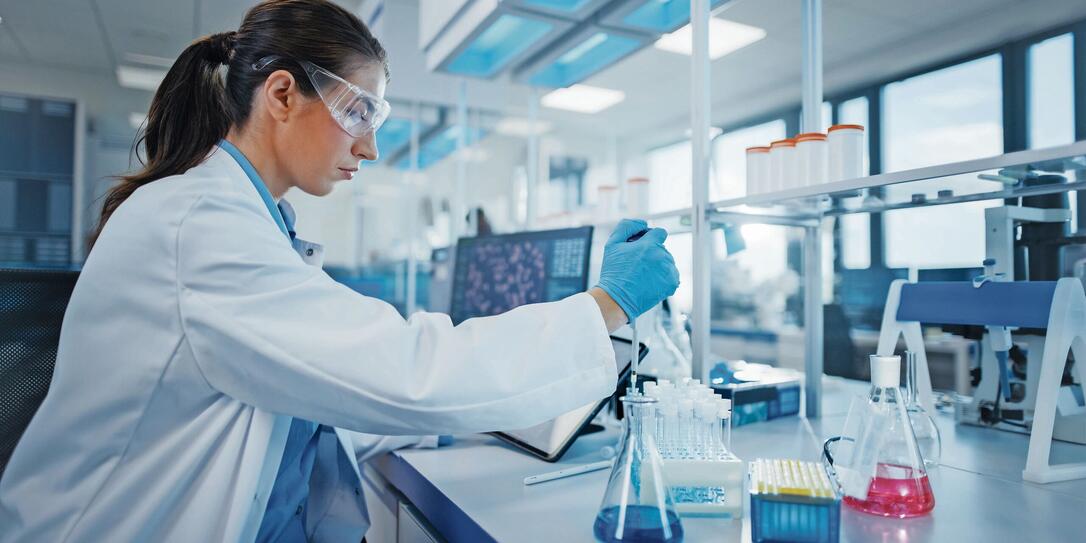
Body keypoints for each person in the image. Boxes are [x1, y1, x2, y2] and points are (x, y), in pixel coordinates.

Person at [0, 1, 679, 541]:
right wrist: (606, 304)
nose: (372, 145)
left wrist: (456, 417)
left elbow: (321, 386)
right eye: (359, 110)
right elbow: (403, 369)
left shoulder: (249, 223)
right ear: (282, 95)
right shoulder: (199, 225)